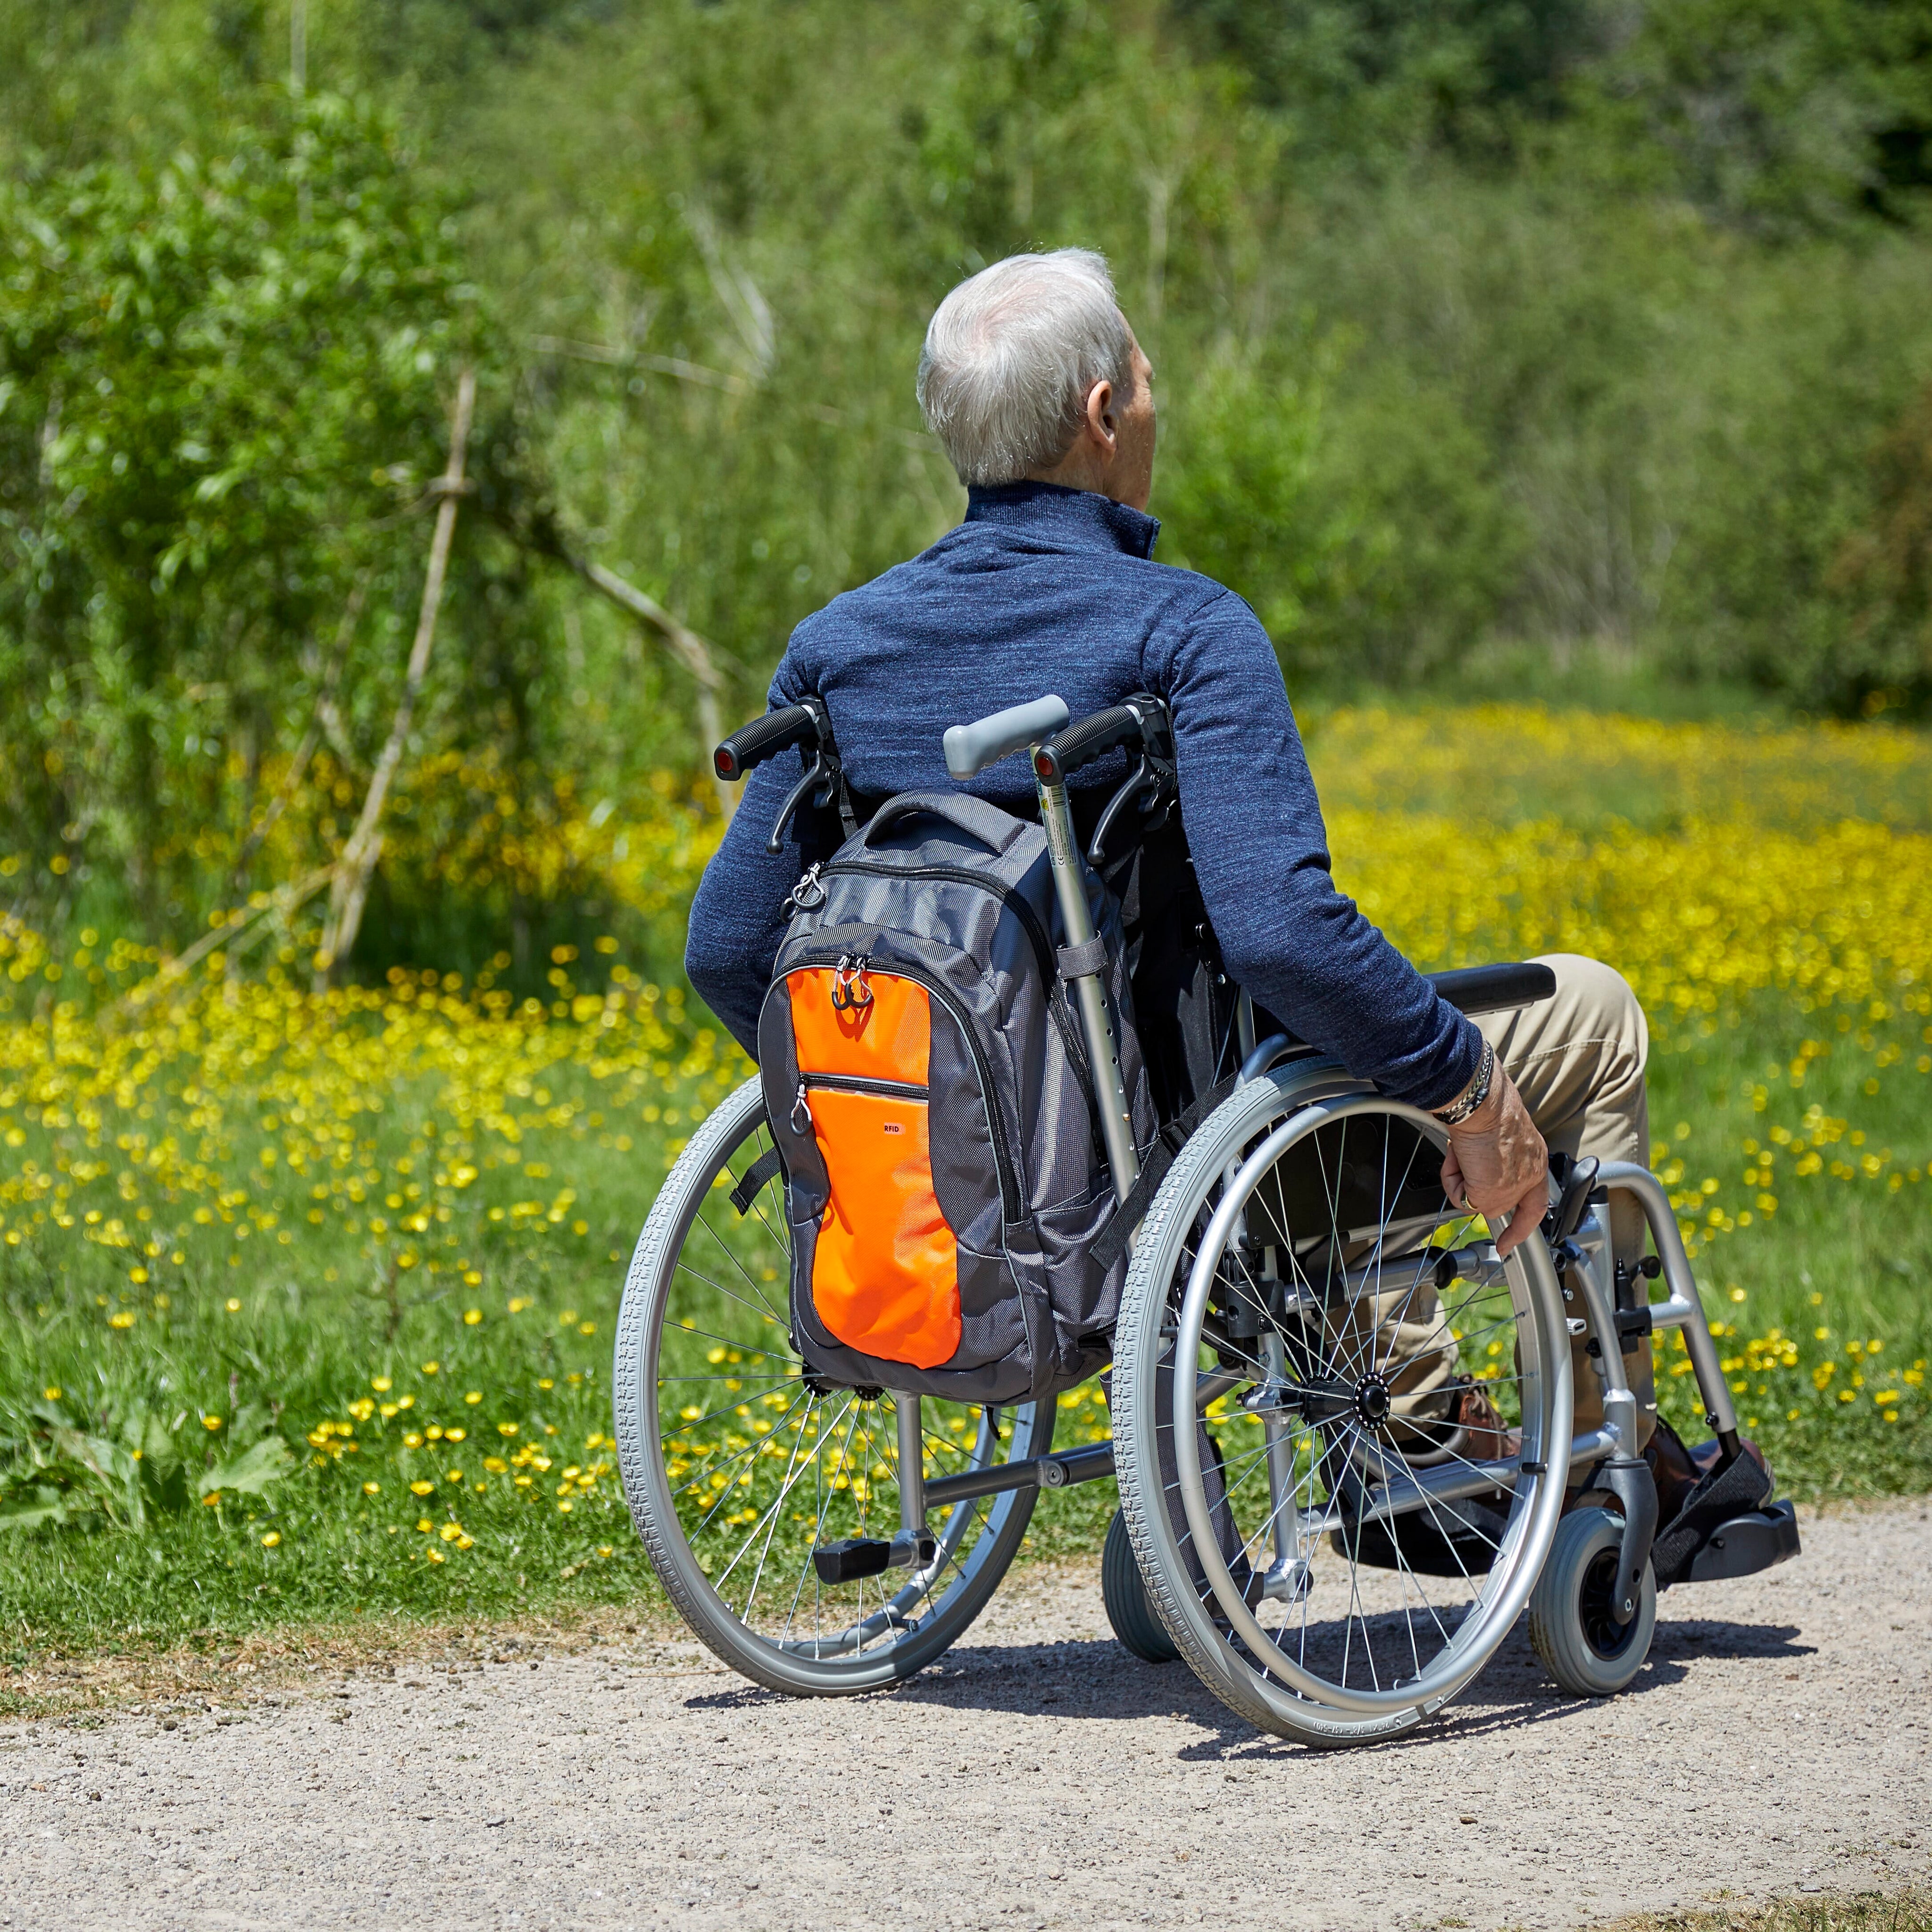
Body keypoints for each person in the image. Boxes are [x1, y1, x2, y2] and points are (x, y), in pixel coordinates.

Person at [685, 248, 1658, 1456]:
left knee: (1329, 1046)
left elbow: (729, 946)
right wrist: (1462, 1081)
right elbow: (1280, 933)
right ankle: (1606, 1447)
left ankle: (1413, 1403)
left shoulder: (835, 647)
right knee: (1590, 1011)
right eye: (1144, 380)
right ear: (1102, 414)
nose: (1150, 403)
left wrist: (908, 1111)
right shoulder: (1181, 626)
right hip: (1211, 1153)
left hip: (1003, 1172)